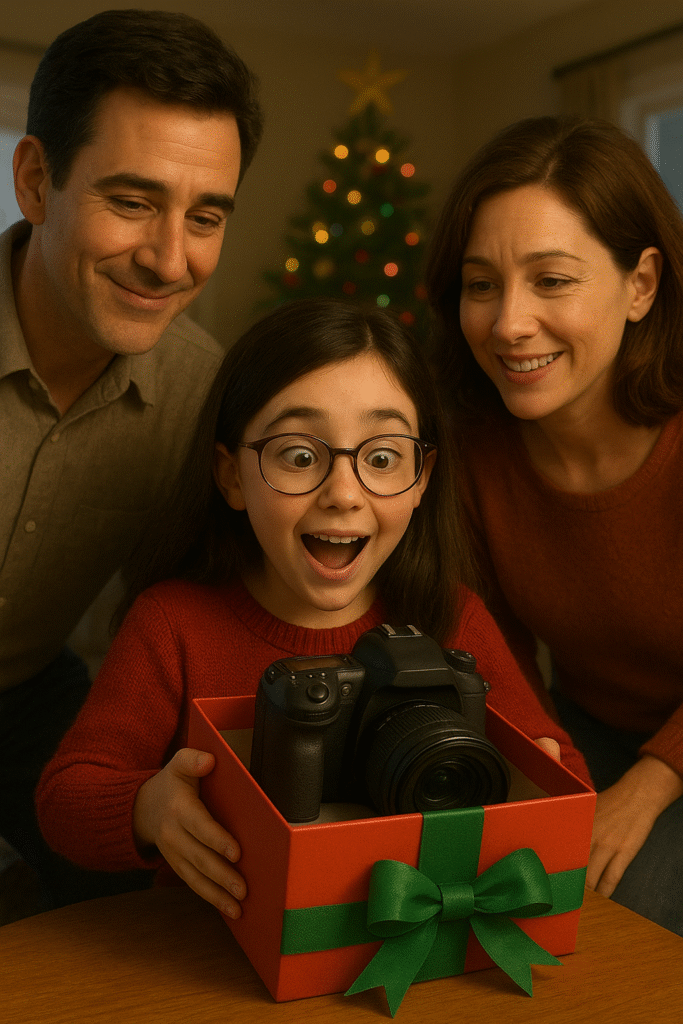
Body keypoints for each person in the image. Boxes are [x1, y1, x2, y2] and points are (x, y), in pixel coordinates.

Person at [35, 298, 590, 919]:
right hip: (217, 954)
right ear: (232, 477)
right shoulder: (173, 623)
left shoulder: (450, 619)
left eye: (382, 458)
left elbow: (567, 772)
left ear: (422, 477)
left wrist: (535, 781)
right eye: (299, 455)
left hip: (414, 943)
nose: (344, 495)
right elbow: (66, 800)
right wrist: (147, 809)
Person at [1, 9, 262, 908]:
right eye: (132, 200)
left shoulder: (204, 399)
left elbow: (218, 604)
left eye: (205, 216)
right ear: (36, 181)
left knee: (151, 912)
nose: (169, 259)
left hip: (29, 691)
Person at [426, 115, 683, 936]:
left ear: (640, 285)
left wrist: (646, 787)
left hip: (663, 759)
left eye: (551, 280)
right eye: (480, 284)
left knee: (626, 922)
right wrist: (542, 771)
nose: (506, 323)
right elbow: (491, 640)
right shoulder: (473, 451)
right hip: (594, 731)